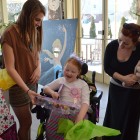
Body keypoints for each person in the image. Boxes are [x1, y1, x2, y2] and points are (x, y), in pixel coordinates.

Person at [1, 0, 46, 140]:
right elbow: (10, 68)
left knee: (27, 121)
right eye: (37, 19)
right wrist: (27, 90)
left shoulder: (33, 30)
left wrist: (38, 68)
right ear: (27, 15)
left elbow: (36, 54)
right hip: (18, 86)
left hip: (32, 83)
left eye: (41, 20)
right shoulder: (9, 34)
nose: (39, 23)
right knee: (26, 122)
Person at [103, 23, 140, 140]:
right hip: (116, 90)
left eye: (126, 43)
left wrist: (136, 78)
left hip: (134, 93)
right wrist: (123, 78)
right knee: (114, 117)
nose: (121, 45)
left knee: (129, 121)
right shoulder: (112, 46)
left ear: (135, 42)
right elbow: (107, 68)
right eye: (120, 40)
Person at [43, 55, 90, 140]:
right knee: (53, 133)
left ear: (78, 72)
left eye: (73, 71)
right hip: (60, 112)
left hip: (77, 113)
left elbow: (86, 102)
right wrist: (52, 92)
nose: (69, 73)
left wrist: (80, 117)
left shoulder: (83, 84)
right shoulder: (61, 80)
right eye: (67, 70)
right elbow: (45, 88)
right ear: (63, 68)